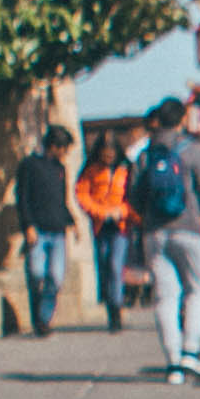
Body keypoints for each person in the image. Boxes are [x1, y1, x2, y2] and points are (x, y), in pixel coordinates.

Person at [132, 96, 200, 382]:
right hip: (189, 228)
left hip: (155, 232)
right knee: (196, 290)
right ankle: (190, 352)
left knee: (165, 297)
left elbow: (134, 196)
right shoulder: (193, 150)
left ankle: (172, 363)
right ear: (182, 119)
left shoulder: (145, 155)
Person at [11, 125, 74, 336]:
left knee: (56, 278)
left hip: (58, 231)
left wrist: (71, 221)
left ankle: (44, 318)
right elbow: (23, 198)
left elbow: (61, 199)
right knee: (37, 273)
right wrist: (27, 225)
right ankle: (38, 316)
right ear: (54, 146)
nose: (65, 153)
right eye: (64, 148)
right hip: (37, 230)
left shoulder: (60, 169)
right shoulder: (29, 165)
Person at [73, 129, 132, 329]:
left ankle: (116, 307)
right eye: (104, 154)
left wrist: (122, 211)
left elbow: (133, 196)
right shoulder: (91, 170)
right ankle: (109, 303)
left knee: (116, 265)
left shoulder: (126, 170)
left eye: (111, 154)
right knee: (105, 265)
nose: (108, 158)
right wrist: (99, 212)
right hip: (100, 226)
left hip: (120, 226)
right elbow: (82, 194)